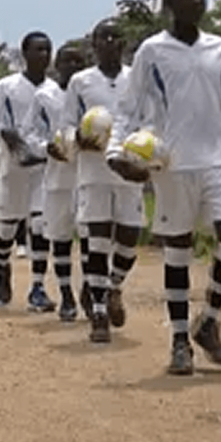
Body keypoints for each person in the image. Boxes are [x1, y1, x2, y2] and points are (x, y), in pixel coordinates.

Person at [107, 0, 221, 372]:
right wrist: (116, 152)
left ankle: (211, 321)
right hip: (172, 163)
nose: (196, 2)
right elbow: (129, 107)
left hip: (218, 161)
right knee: (178, 251)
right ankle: (180, 341)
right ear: (169, 4)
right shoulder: (152, 51)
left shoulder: (220, 48)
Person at [65, 19, 145, 339]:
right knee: (97, 240)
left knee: (129, 238)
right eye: (103, 37)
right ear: (94, 44)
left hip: (128, 168)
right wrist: (78, 139)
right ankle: (99, 313)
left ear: (124, 43)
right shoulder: (80, 82)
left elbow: (148, 117)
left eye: (116, 37)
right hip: (94, 171)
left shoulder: (136, 79)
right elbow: (67, 124)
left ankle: (112, 286)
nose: (110, 42)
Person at [0, 31, 55, 311]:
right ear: (25, 53)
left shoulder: (54, 90)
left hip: (42, 166)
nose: (44, 55)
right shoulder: (6, 87)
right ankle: (3, 265)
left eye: (47, 50)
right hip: (13, 165)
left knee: (40, 224)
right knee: (7, 227)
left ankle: (37, 287)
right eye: (38, 50)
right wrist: (10, 139)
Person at [23, 42, 87, 321]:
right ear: (57, 66)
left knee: (89, 236)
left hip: (88, 175)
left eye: (78, 62)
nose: (73, 67)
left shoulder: (90, 91)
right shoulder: (44, 96)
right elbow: (29, 132)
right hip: (58, 177)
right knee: (60, 238)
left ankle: (90, 290)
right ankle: (66, 294)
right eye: (67, 61)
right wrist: (45, 148)